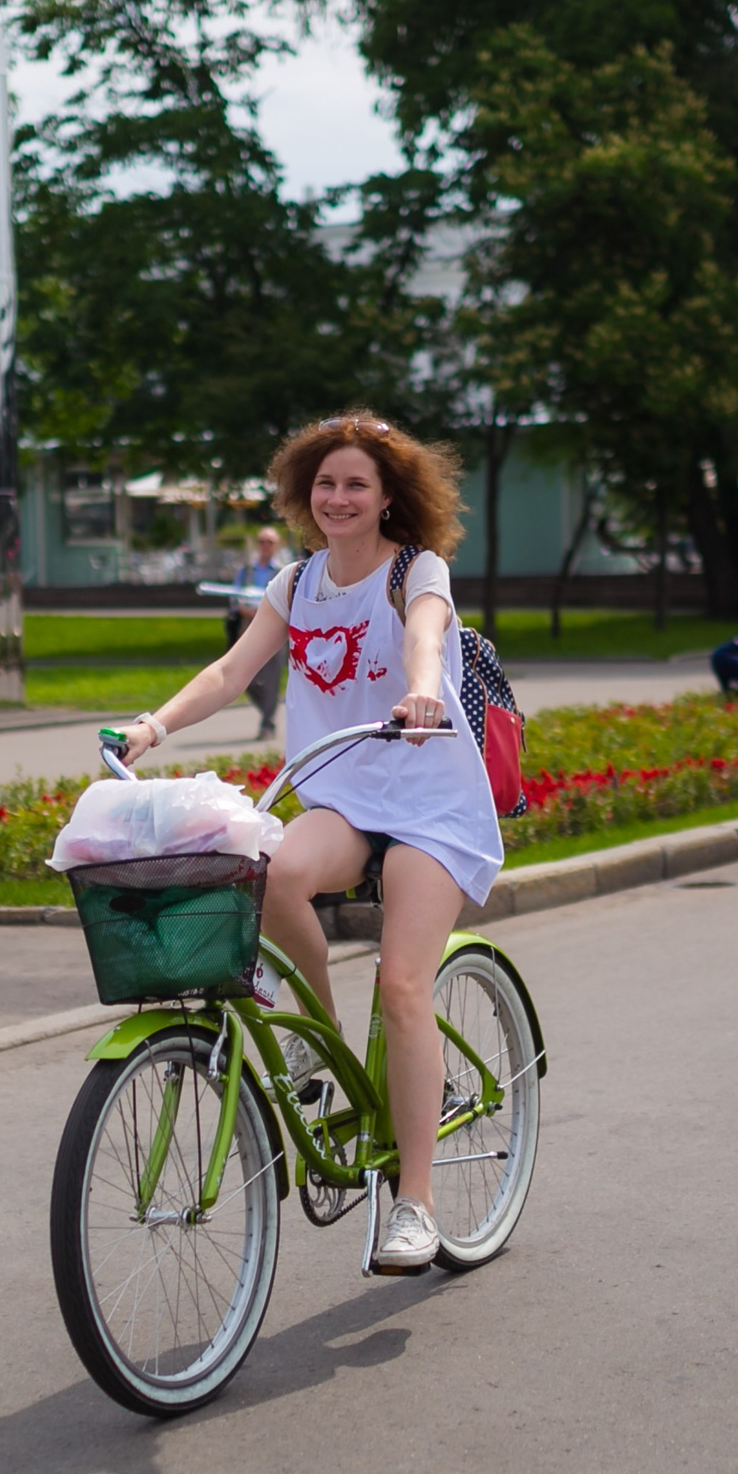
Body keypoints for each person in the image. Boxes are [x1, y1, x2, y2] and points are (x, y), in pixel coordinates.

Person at [114, 413, 502, 1275]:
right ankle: (319, 1041)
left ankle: (415, 1204)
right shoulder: (295, 583)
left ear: (389, 496)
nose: (338, 497)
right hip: (345, 794)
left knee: (403, 984)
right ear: (304, 492)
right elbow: (231, 672)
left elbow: (425, 635)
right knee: (278, 872)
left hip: (429, 799)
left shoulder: (415, 570)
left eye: (357, 483)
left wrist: (424, 691)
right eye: (325, 483)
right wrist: (153, 726)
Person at [224, 527, 285, 740]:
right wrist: (245, 610)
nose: (265, 546)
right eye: (262, 541)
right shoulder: (246, 571)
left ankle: (268, 722)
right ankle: (268, 710)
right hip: (248, 625)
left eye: (270, 542)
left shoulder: (282, 571)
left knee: (271, 677)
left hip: (275, 628)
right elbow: (235, 598)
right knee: (244, 676)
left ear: (277, 546)